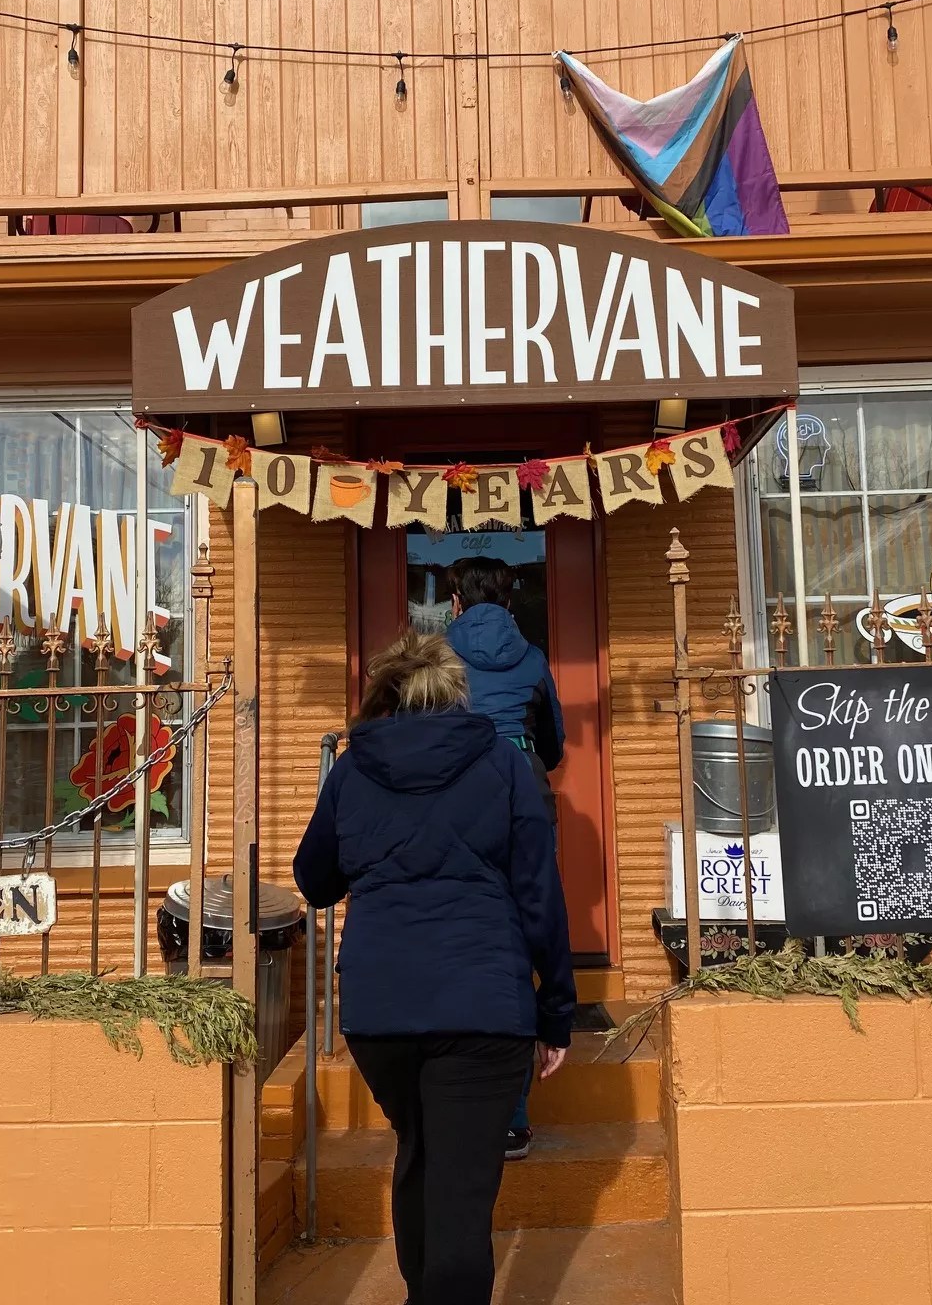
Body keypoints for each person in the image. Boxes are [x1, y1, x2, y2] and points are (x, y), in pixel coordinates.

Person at [294, 631, 574, 1305]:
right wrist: (556, 1012)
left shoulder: (351, 769)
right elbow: (539, 893)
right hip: (480, 1003)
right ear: (457, 691)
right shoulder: (504, 764)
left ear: (388, 693)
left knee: (420, 1155)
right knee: (460, 1189)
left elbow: (315, 880)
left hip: (379, 1006)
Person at [445, 556, 566, 1158]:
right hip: (525, 794)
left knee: (462, 940)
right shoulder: (534, 658)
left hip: (460, 798)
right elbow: (556, 744)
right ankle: (514, 1118)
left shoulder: (437, 656)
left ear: (457, 604)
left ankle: (457, 1105)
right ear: (510, 603)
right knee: (520, 942)